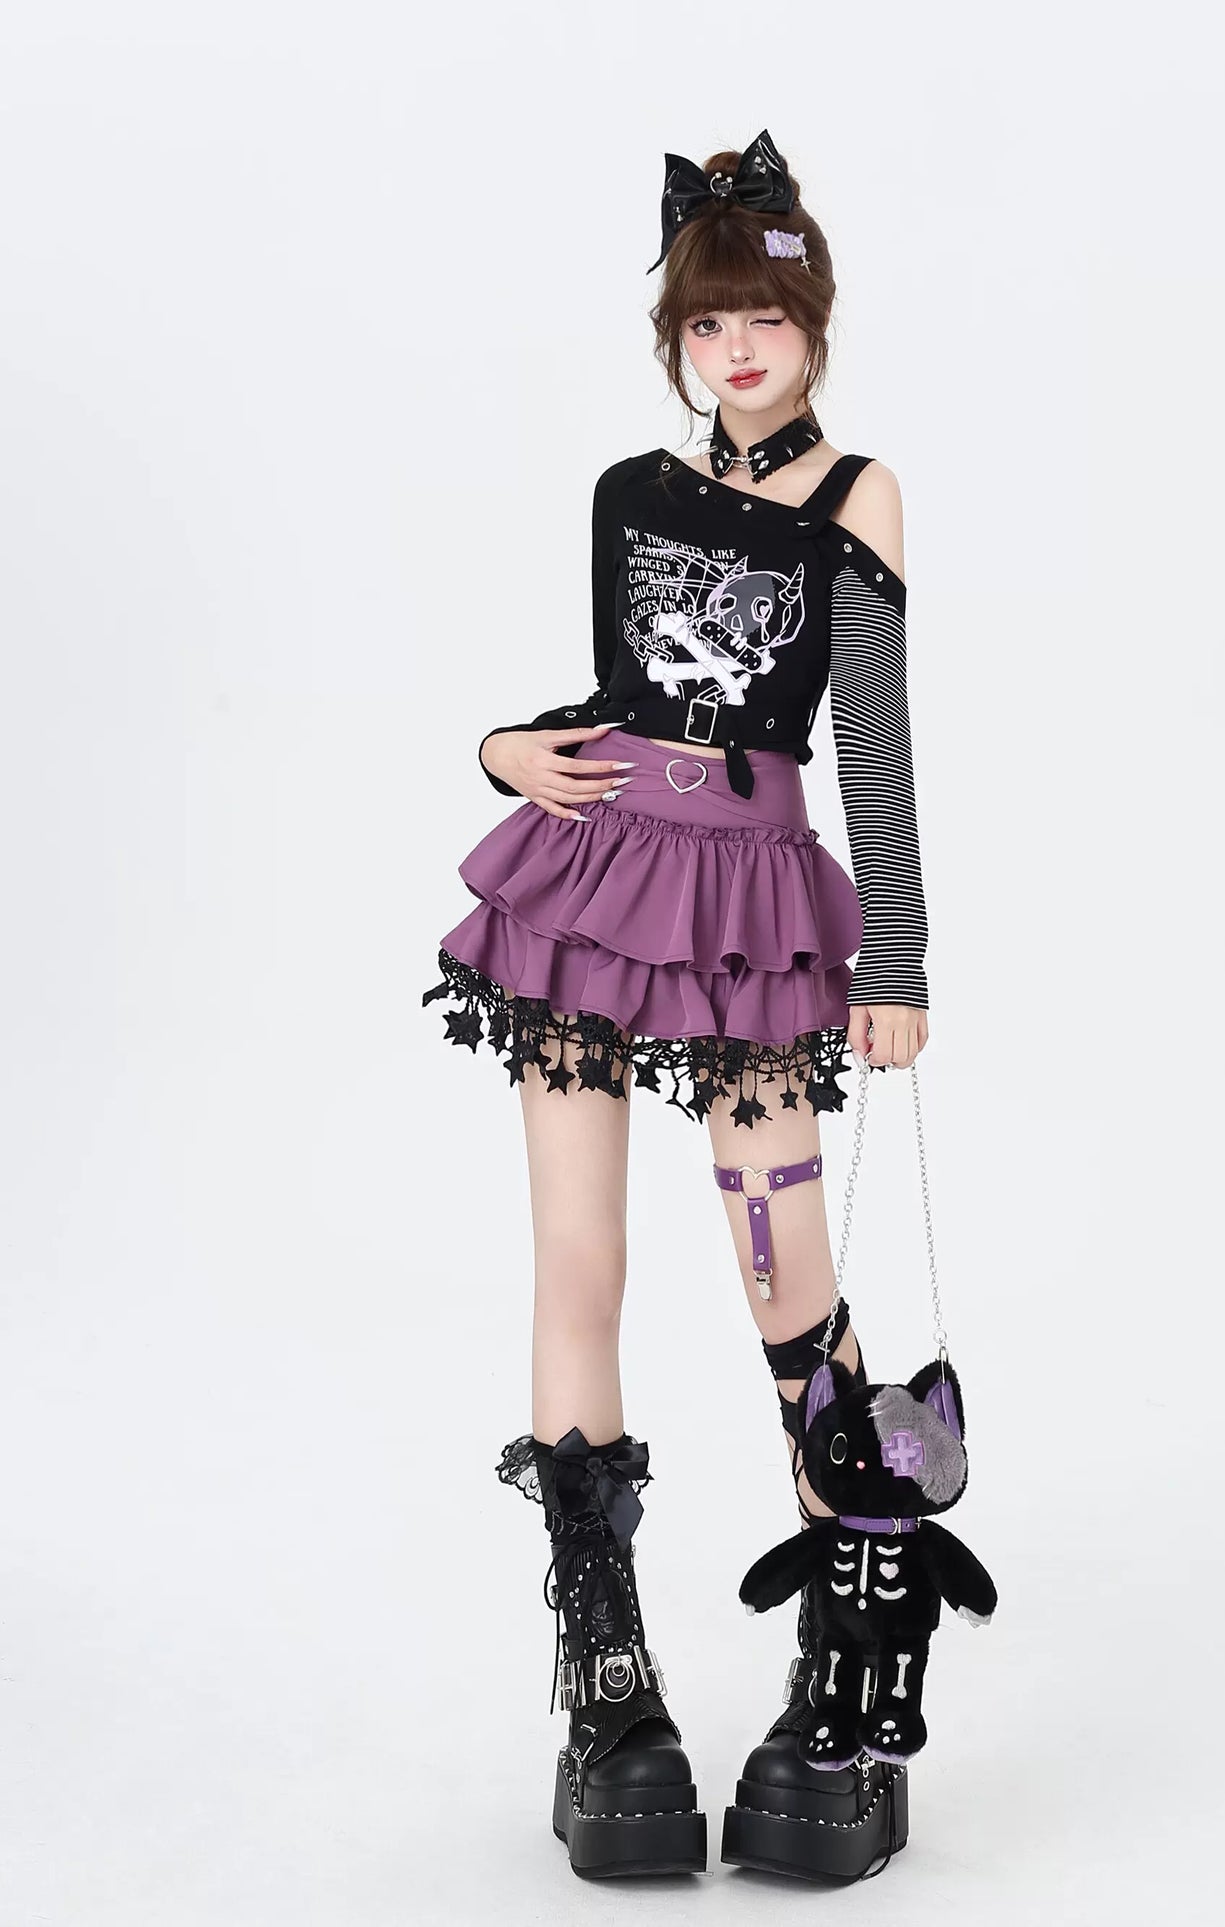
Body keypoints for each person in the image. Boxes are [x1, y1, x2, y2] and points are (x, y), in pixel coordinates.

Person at [421, 128, 930, 1881]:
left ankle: (846, 1676)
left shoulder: (855, 492)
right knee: (579, 1264)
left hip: (752, 902)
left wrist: (894, 957)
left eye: (761, 319)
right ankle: (609, 1693)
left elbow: (870, 739)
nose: (735, 349)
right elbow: (621, 692)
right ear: (675, 338)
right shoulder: (627, 490)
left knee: (787, 1285)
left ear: (811, 325)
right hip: (590, 880)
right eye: (706, 322)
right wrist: (500, 745)